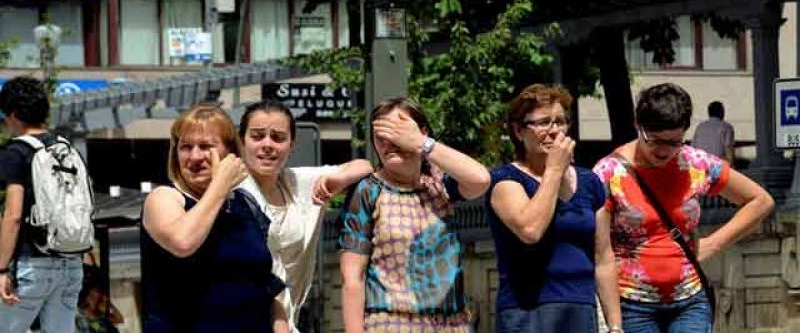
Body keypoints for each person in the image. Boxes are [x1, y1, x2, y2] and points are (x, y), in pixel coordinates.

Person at [593, 83, 774, 333]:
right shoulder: (608, 173)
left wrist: (714, 243)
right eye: (654, 141)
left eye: (675, 142)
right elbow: (602, 255)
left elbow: (760, 201)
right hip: (632, 304)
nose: (664, 151)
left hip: (690, 300)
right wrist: (614, 325)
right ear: (638, 125)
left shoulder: (695, 164)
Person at [339, 97, 491, 333]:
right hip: (391, 323)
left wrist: (422, 144)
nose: (390, 142)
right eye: (381, 136)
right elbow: (352, 279)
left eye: (398, 131)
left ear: (422, 132)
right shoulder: (368, 191)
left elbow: (480, 180)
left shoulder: (440, 183)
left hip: (451, 324)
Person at [485, 84, 622, 333]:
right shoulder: (505, 180)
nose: (554, 130)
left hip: (580, 309)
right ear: (519, 130)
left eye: (560, 121)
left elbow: (603, 257)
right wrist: (555, 170)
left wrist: (615, 326)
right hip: (528, 311)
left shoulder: (590, 183)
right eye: (543, 122)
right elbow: (530, 229)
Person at [140, 104, 286, 333]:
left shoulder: (244, 206)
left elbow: (266, 287)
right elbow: (183, 242)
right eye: (186, 147)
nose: (195, 156)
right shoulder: (164, 199)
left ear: (230, 153)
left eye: (206, 147)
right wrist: (219, 185)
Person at [237, 100, 373, 332]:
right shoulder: (230, 190)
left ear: (291, 145)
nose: (267, 145)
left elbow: (365, 165)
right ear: (242, 141)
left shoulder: (295, 183)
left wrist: (336, 181)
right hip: (245, 319)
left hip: (290, 321)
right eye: (257, 136)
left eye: (278, 137)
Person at [0, 76, 84, 333]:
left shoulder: (16, 152)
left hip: (33, 266)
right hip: (72, 263)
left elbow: (13, 216)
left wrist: (1, 268)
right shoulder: (67, 149)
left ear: (13, 115)